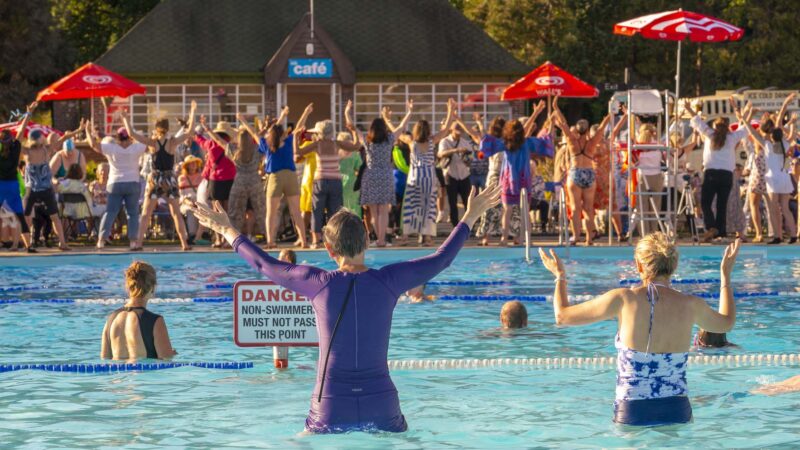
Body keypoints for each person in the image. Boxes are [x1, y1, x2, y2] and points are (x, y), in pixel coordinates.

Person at [192, 183, 501, 434]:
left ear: (329, 250)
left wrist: (227, 230)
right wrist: (469, 217)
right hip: (382, 401)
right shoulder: (389, 281)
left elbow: (263, 263)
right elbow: (442, 258)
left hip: (330, 402)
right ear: (366, 241)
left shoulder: (316, 282)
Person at [539, 232, 741, 426]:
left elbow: (562, 316)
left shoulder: (624, 299)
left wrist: (560, 276)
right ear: (674, 266)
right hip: (677, 410)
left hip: (633, 411)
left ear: (638, 265)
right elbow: (727, 322)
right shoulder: (690, 304)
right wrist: (725, 277)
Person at [122, 105, 195, 250]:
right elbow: (190, 132)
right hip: (169, 179)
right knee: (176, 213)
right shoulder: (173, 142)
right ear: (168, 128)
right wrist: (192, 111)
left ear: (156, 128)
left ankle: (138, 243)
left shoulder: (152, 143)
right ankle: (184, 243)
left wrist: (125, 119)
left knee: (146, 213)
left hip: (155, 179)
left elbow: (131, 133)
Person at [479, 102, 547, 246]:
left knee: (507, 210)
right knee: (525, 212)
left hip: (509, 180)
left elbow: (487, 144)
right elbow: (530, 131)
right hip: (524, 179)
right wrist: (536, 113)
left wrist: (480, 125)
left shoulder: (505, 143)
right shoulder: (526, 142)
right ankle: (526, 239)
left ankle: (504, 239)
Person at [294, 105, 361, 248]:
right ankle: (334, 241)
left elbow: (298, 152)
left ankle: (315, 241)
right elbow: (356, 146)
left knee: (317, 211)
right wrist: (354, 130)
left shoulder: (317, 144)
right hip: (336, 181)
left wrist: (295, 136)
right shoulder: (336, 144)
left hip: (320, 181)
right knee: (335, 212)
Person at [241, 106, 307, 249]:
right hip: (290, 176)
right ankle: (304, 241)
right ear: (282, 133)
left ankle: (271, 241)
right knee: (296, 211)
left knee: (271, 213)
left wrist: (243, 121)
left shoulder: (267, 144)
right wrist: (305, 112)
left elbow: (253, 133)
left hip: (275, 178)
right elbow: (298, 126)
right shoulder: (288, 141)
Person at [685, 100, 748, 243]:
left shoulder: (709, 134)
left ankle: (711, 227)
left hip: (711, 173)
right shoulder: (732, 137)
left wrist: (689, 108)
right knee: (722, 205)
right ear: (727, 127)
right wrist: (739, 110)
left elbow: (697, 121)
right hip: (727, 175)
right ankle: (722, 233)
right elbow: (745, 127)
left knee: (706, 203)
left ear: (715, 126)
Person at [552, 98, 611, 244]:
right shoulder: (592, 142)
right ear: (588, 128)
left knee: (575, 208)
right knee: (589, 209)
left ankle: (577, 237)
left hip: (575, 172)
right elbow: (603, 127)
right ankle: (589, 238)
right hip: (589, 173)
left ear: (577, 129)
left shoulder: (572, 141)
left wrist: (555, 107)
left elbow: (564, 124)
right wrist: (610, 114)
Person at [357, 101, 413, 247]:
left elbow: (353, 128)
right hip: (386, 176)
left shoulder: (367, 141)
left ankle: (378, 240)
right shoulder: (389, 140)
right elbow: (401, 128)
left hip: (370, 177)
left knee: (374, 212)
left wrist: (346, 113)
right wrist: (409, 112)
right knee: (383, 210)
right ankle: (382, 240)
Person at [85, 120, 148, 251]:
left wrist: (87, 129)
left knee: (110, 212)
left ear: (117, 138)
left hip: (115, 184)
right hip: (132, 183)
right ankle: (133, 242)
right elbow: (147, 142)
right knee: (132, 214)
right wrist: (133, 133)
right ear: (129, 136)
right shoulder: (136, 148)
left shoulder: (111, 148)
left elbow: (93, 144)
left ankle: (101, 240)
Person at [400, 99, 454, 246]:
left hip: (414, 178)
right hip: (428, 178)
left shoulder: (412, 143)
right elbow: (447, 128)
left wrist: (409, 112)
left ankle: (405, 236)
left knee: (411, 206)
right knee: (428, 206)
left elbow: (398, 131)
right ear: (428, 130)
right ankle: (427, 237)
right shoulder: (432, 141)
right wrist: (450, 110)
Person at [100, 261, 177, 360]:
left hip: (118, 376)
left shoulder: (111, 319)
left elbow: (105, 360)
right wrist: (171, 354)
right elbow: (166, 361)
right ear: (153, 288)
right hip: (145, 375)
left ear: (128, 286)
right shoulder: (155, 321)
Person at [19, 102, 70, 250]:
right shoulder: (43, 150)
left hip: (35, 189)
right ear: (40, 139)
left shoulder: (29, 152)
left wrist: (28, 115)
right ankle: (60, 243)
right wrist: (28, 115)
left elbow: (19, 136)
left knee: (30, 217)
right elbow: (63, 139)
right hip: (40, 189)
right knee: (50, 217)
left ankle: (58, 243)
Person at [197, 114, 238, 248]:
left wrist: (201, 131)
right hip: (230, 178)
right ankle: (228, 239)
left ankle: (218, 239)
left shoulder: (211, 144)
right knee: (227, 211)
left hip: (216, 180)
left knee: (216, 212)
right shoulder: (231, 145)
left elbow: (200, 140)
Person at [228, 114, 266, 240]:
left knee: (235, 212)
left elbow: (225, 143)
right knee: (261, 210)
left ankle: (233, 238)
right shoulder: (257, 149)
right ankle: (268, 236)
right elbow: (259, 138)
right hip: (255, 180)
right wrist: (246, 123)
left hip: (239, 181)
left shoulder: (233, 149)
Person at [0, 111, 35, 252]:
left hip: (0, 186)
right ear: (11, 139)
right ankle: (29, 245)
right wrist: (28, 113)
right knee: (20, 216)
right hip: (13, 186)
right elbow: (21, 130)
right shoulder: (15, 150)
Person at [438, 121, 473, 228]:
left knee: (468, 202)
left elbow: (471, 157)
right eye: (456, 128)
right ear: (450, 130)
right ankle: (455, 226)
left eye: (460, 129)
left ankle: (468, 225)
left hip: (464, 175)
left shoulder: (465, 142)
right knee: (452, 203)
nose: (459, 131)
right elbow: (440, 154)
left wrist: (466, 156)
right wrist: (456, 150)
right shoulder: (445, 141)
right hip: (450, 174)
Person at [178, 155, 206, 244]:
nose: (193, 165)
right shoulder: (182, 178)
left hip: (200, 201)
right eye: (191, 163)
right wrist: (189, 202)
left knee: (203, 209)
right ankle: (192, 235)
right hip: (186, 202)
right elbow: (181, 196)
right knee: (190, 210)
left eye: (195, 163)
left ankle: (203, 234)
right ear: (187, 166)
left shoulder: (201, 177)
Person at [338, 130, 363, 217]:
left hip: (338, 183)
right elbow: (359, 169)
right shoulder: (355, 153)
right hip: (352, 184)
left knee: (340, 209)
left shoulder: (336, 153)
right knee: (354, 209)